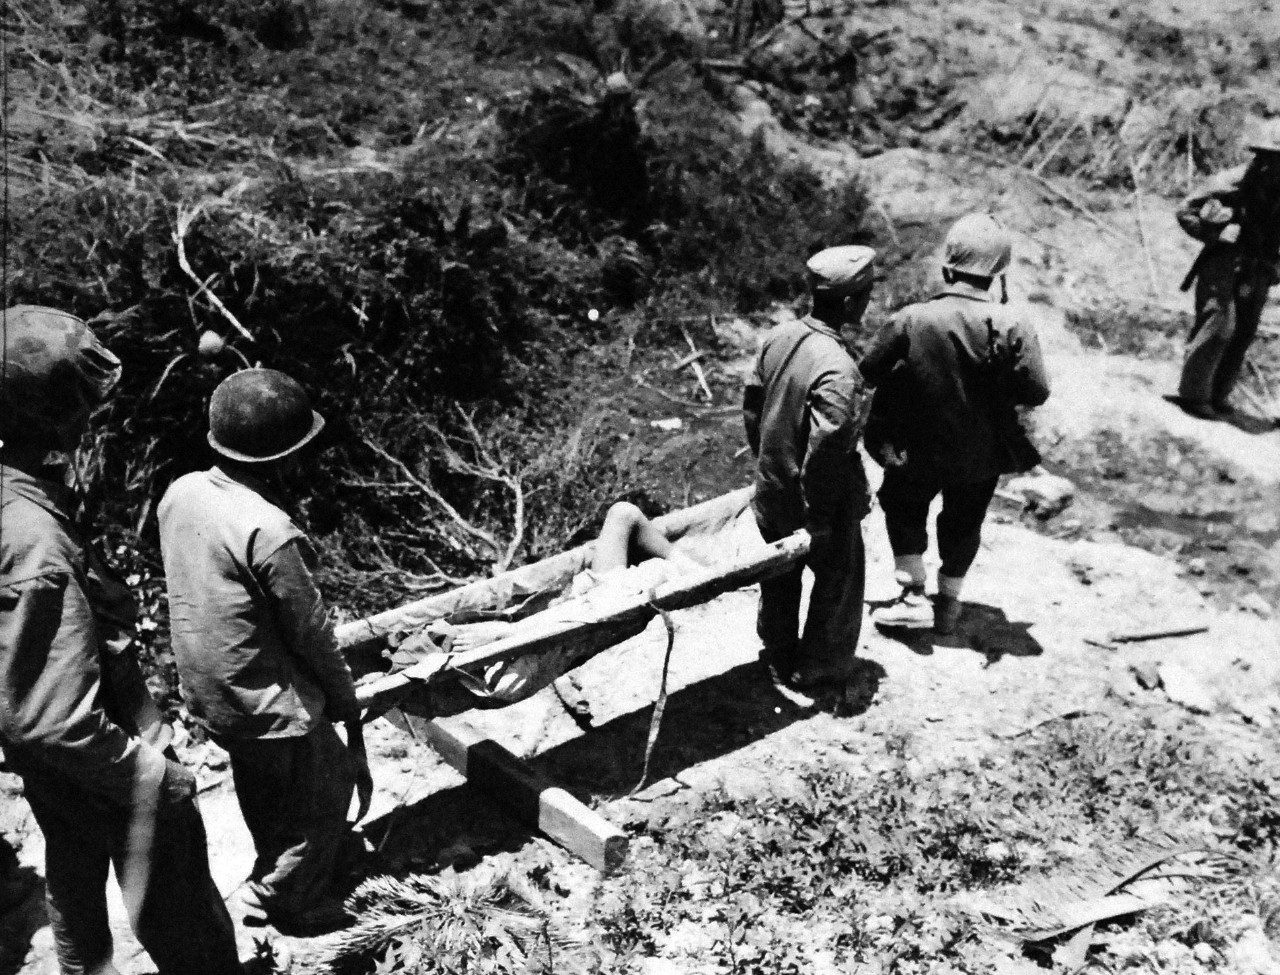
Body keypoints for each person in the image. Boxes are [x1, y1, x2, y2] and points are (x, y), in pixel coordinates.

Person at [0, 305, 243, 975]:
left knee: (73, 872)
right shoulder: (37, 544)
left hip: (60, 768)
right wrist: (156, 775)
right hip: (101, 760)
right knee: (183, 911)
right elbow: (51, 721)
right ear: (54, 414)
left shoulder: (17, 494)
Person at [158, 368, 370, 935]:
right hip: (270, 701)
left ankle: (273, 867)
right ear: (285, 457)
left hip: (212, 692)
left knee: (263, 788)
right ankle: (288, 899)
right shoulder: (268, 529)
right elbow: (312, 632)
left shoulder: (182, 494)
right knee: (328, 792)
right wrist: (345, 702)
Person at [860, 214, 1050, 635]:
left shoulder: (912, 318)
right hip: (981, 452)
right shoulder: (1013, 323)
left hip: (915, 447)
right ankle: (948, 603)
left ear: (947, 267)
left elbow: (867, 373)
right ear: (999, 273)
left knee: (904, 506)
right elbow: (1036, 391)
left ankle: (912, 596)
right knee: (965, 520)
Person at [742, 245, 876, 687]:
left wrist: (767, 464)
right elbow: (827, 453)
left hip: (772, 490)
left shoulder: (778, 337)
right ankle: (819, 664)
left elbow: (752, 406)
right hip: (814, 501)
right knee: (840, 578)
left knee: (779, 579)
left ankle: (777, 655)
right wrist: (818, 517)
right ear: (852, 302)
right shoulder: (839, 369)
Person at [425, 501, 707, 703]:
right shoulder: (500, 683)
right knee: (651, 556)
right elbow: (571, 627)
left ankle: (680, 562)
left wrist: (496, 631)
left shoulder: (475, 639)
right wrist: (501, 636)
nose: (451, 634)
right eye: (446, 640)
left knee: (623, 513)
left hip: (592, 598)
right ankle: (688, 568)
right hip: (608, 611)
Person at [1172, 119, 1280, 420]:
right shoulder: (1233, 181)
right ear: (1262, 156)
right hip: (1224, 262)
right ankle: (1194, 396)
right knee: (1220, 327)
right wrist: (1215, 235)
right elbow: (1186, 210)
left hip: (1259, 266)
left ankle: (1218, 395)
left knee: (1243, 333)